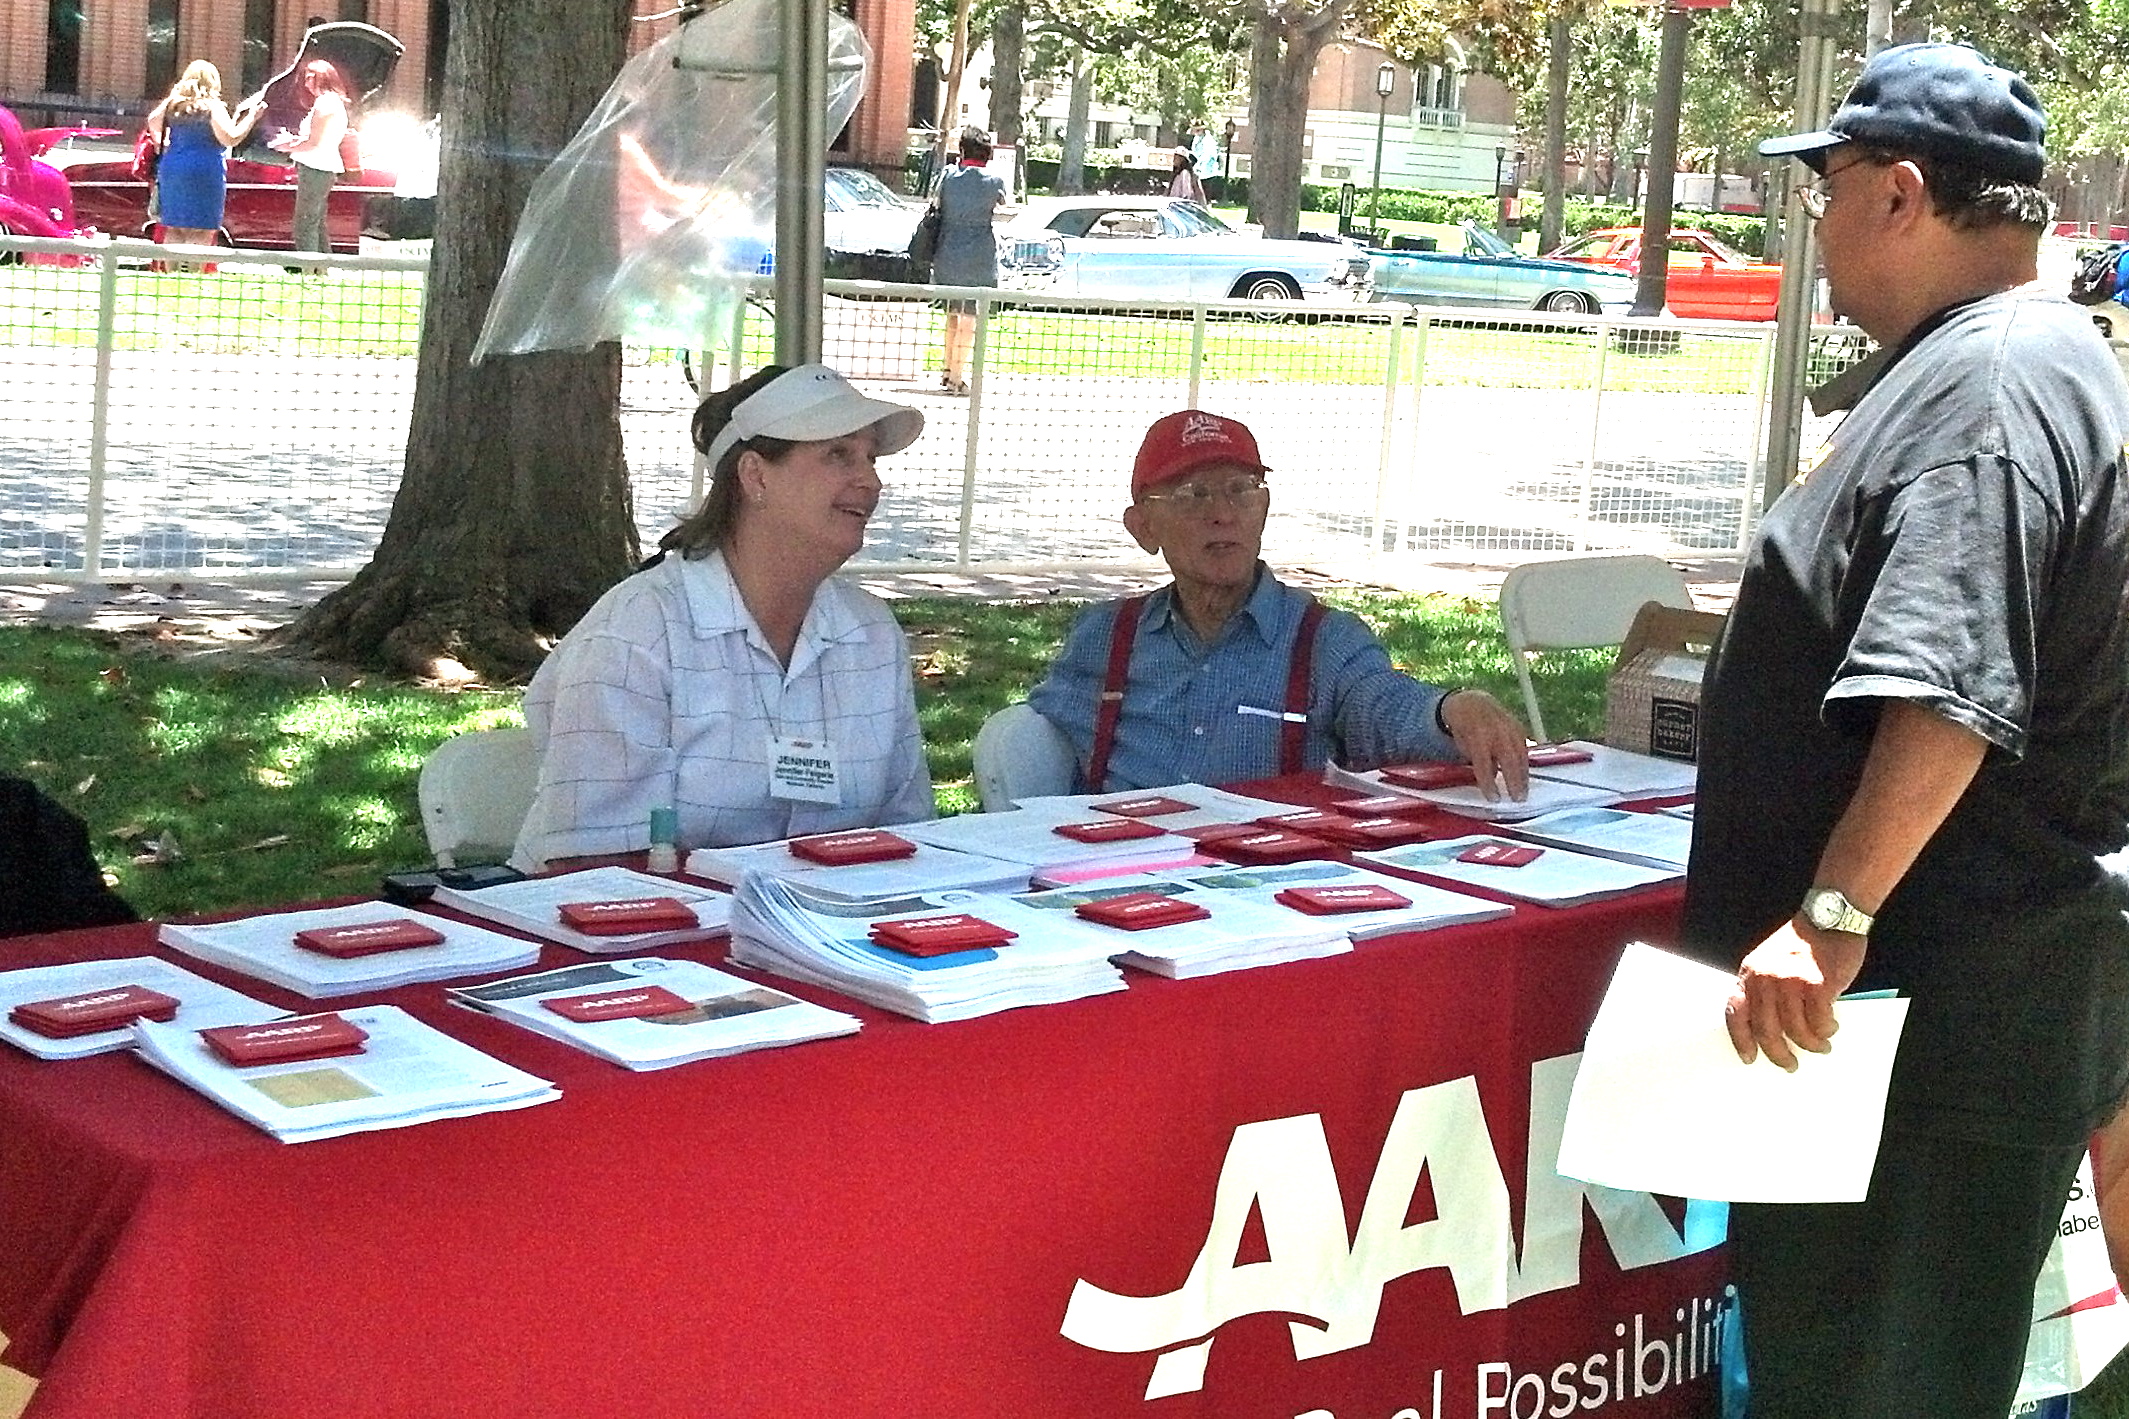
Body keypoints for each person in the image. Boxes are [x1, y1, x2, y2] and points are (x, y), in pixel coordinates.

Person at [1684, 43, 2129, 1419]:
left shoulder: (1985, 394)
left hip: (1913, 1041)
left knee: (1877, 1379)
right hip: (1973, 1006)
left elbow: (1949, 682)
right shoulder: (2042, 362)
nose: (1810, 231)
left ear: (1896, 192)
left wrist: (1827, 910)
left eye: (1819, 194)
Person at [511, 364, 936, 869]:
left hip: (822, 930)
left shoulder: (871, 634)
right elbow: (592, 864)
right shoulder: (637, 632)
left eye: (869, 457)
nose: (870, 480)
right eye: (837, 454)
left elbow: (907, 837)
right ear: (755, 476)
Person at [1027, 409, 1531, 793]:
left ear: (1264, 509)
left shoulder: (1322, 640)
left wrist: (1452, 710)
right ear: (1143, 528)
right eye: (1194, 496)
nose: (1223, 514)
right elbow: (1032, 743)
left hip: (1256, 884)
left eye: (1241, 491)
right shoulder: (1106, 638)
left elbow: (1386, 710)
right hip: (1114, 878)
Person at [143, 61, 263, 255]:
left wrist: (160, 142)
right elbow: (230, 138)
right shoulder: (212, 107)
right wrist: (251, 118)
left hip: (173, 167)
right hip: (205, 171)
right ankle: (192, 275)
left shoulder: (174, 104)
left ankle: (171, 276)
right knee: (201, 229)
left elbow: (152, 120)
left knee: (174, 226)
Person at [931, 127, 1007, 396]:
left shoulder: (949, 176)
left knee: (952, 314)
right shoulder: (994, 179)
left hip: (947, 252)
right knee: (969, 319)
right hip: (979, 255)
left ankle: (948, 370)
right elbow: (1003, 205)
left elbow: (936, 203)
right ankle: (958, 378)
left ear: (962, 150)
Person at [268, 58, 349, 255]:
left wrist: (285, 146)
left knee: (304, 224)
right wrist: (292, 141)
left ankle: (309, 271)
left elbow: (313, 142)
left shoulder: (325, 103)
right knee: (316, 223)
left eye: (310, 78)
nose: (306, 84)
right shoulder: (332, 102)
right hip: (322, 168)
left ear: (322, 78)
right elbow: (313, 138)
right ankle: (321, 271)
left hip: (317, 168)